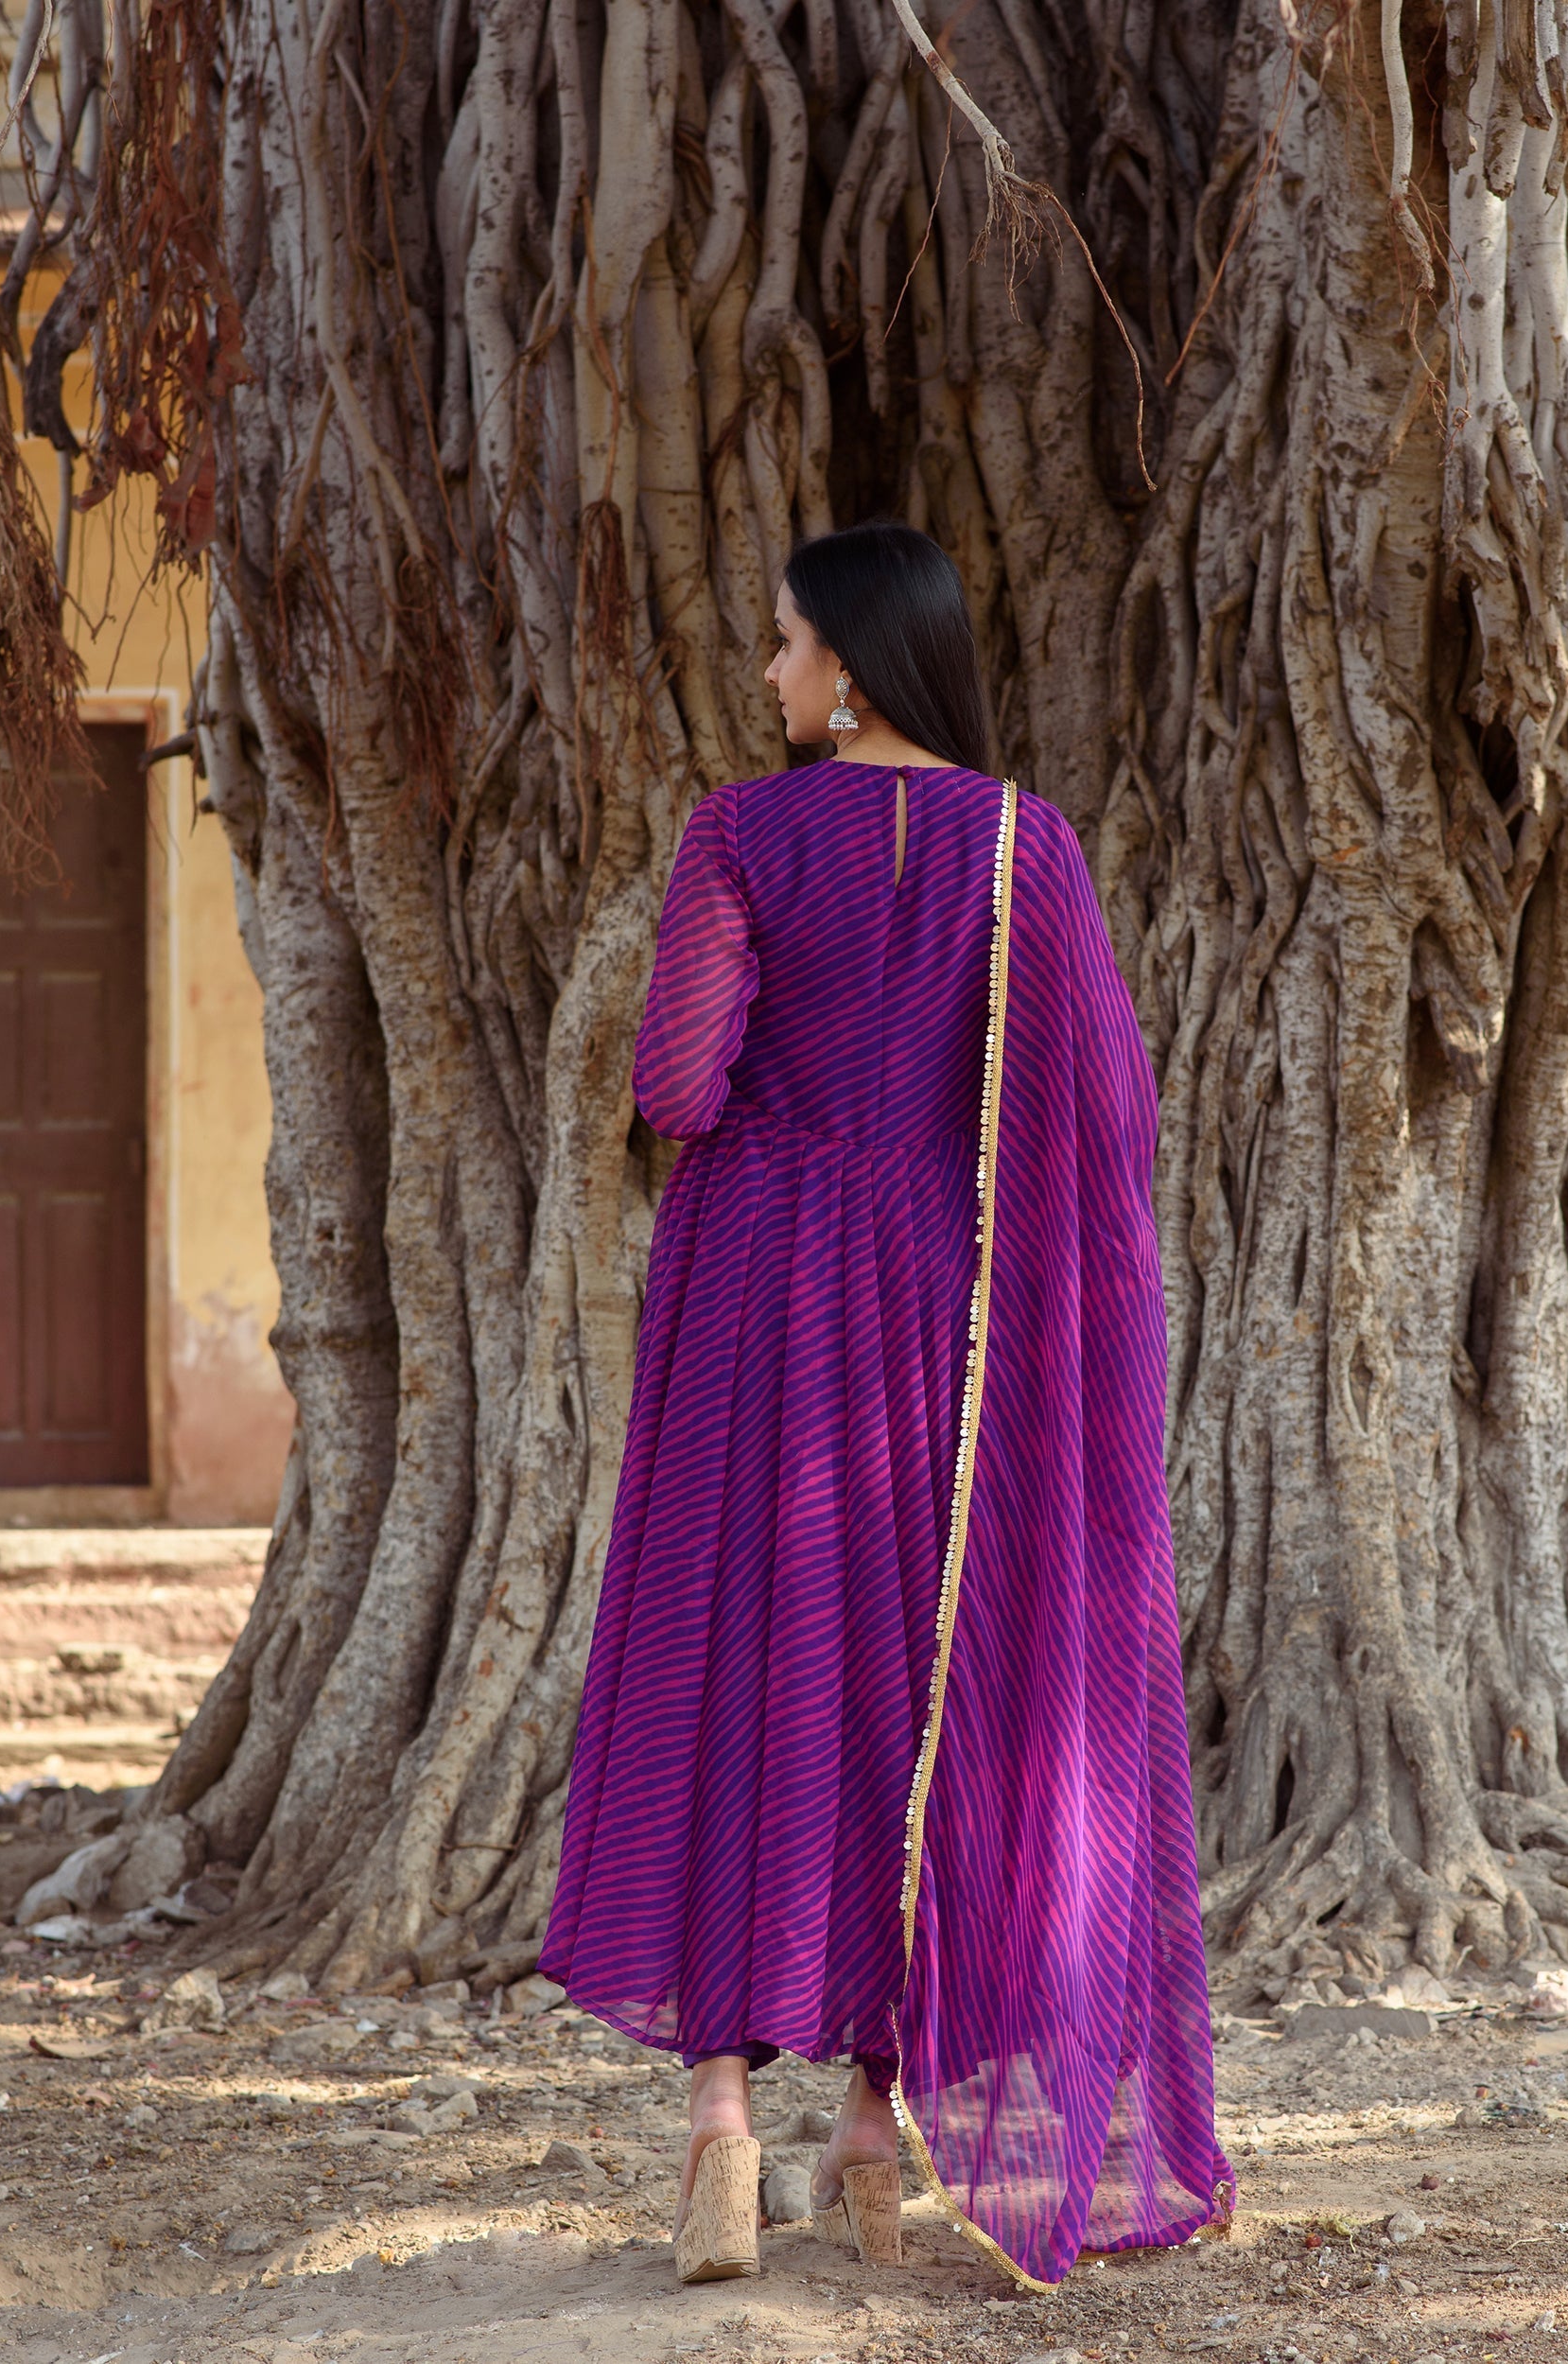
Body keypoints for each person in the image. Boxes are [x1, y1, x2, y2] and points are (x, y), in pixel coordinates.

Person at [537, 520, 1232, 2289]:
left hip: (755, 1293)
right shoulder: (1030, 850)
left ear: (849, 666)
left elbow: (676, 1080)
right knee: (906, 1688)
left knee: (728, 1660)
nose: (767, 679)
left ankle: (715, 2134)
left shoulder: (742, 834)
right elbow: (1114, 1109)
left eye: (782, 647)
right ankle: (868, 2134)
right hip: (944, 1307)